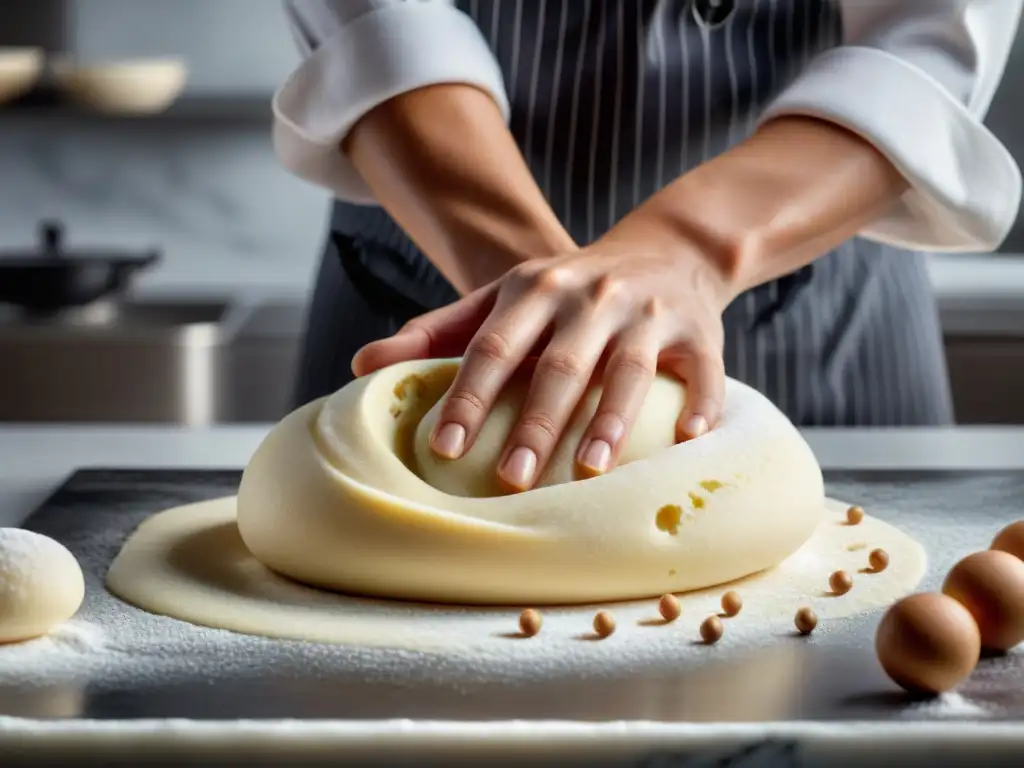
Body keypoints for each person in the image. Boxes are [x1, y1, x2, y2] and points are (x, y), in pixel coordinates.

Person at [274, 0, 1022, 492]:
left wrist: (687, 250)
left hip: (822, 324)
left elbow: (924, 37)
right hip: (431, 304)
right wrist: (549, 300)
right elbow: (379, 25)